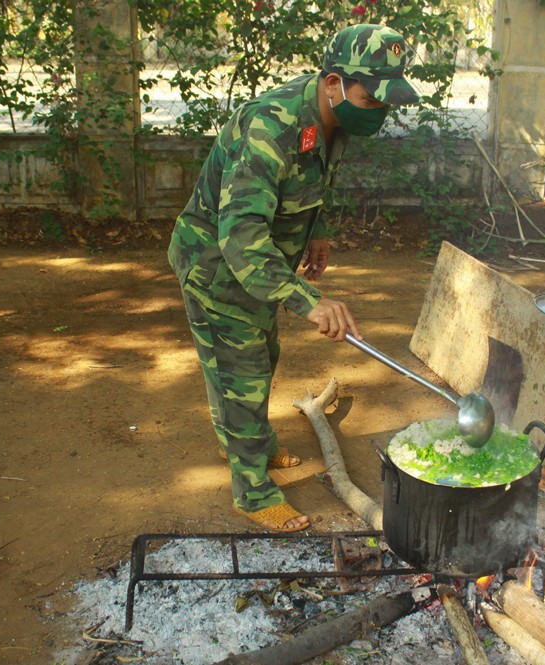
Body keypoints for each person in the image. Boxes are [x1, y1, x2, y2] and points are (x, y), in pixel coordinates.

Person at [167, 24, 420, 532]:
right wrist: (307, 300)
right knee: (241, 373)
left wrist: (317, 230)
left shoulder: (335, 120)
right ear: (333, 83)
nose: (378, 111)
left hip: (262, 268)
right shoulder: (271, 127)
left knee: (262, 356)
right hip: (219, 267)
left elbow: (311, 180)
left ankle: (250, 444)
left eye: (385, 102)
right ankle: (253, 491)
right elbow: (239, 234)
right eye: (371, 99)